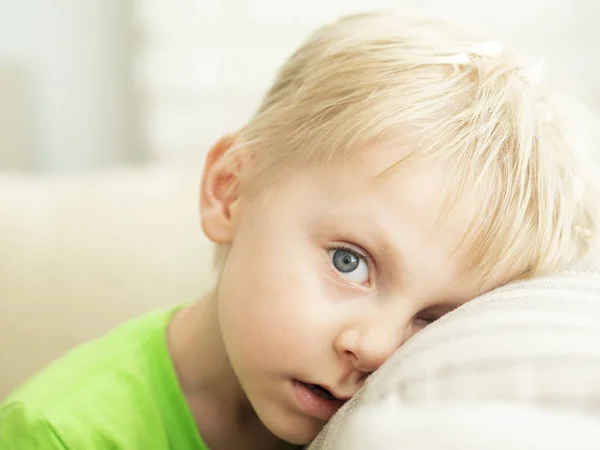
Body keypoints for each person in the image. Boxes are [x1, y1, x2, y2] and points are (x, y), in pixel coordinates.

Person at [1, 9, 598, 450]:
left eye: (431, 320)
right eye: (349, 262)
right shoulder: (58, 433)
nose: (377, 348)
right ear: (229, 191)